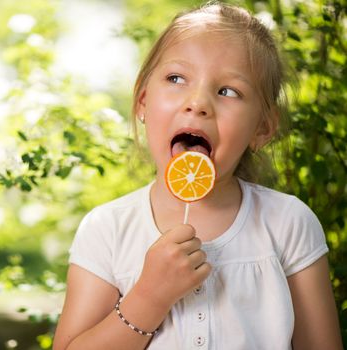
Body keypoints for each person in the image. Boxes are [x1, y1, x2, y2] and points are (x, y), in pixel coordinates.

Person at [53, 2, 343, 350]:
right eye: (176, 78)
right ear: (143, 103)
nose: (198, 102)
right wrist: (148, 298)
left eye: (228, 91)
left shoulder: (287, 223)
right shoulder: (108, 230)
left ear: (263, 128)